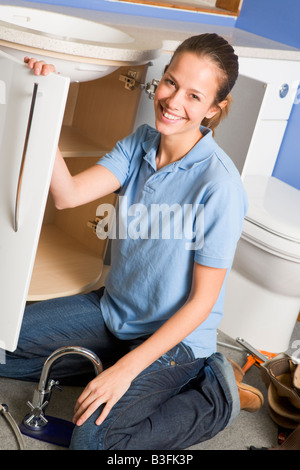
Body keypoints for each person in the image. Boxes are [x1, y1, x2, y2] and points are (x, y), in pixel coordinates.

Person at [0, 33, 264, 450]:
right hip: (113, 312)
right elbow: (67, 194)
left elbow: (200, 303)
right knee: (1, 340)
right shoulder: (140, 142)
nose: (174, 101)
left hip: (174, 341)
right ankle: (111, 366)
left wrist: (127, 371)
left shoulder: (219, 185)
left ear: (214, 109)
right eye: (171, 82)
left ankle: (217, 396)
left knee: (92, 440)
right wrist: (42, 104)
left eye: (194, 96)